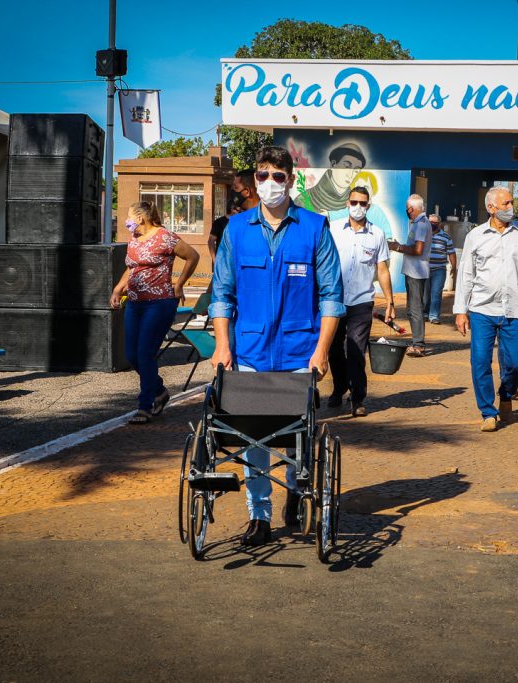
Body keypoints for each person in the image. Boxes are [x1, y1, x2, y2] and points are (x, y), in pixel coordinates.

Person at [209, 145, 345, 546]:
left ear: (291, 180)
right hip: (250, 352)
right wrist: (222, 345)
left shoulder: (315, 228)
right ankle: (260, 515)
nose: (270, 183)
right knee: (253, 437)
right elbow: (222, 294)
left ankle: (298, 492)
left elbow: (332, 297)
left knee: (299, 434)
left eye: (279, 176)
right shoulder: (236, 230)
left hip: (299, 351)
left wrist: (321, 350)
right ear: (255, 179)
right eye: (263, 175)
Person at [454, 186, 518, 432]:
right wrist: (460, 310)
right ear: (491, 208)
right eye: (505, 203)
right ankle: (488, 411)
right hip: (482, 309)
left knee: (516, 363)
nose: (510, 207)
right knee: (480, 362)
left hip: (516, 309)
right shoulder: (475, 235)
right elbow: (465, 275)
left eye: (511, 203)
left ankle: (506, 393)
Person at [110, 201, 200, 424]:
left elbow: (193, 256)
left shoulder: (165, 237)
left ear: (141, 217)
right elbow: (132, 268)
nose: (127, 221)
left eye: (129, 216)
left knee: (145, 353)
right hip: (135, 303)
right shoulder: (134, 240)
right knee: (132, 355)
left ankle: (145, 405)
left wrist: (179, 285)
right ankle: (159, 390)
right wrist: (118, 288)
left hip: (159, 303)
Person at [328, 185, 395, 417]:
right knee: (334, 350)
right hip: (333, 300)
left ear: (368, 206)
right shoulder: (333, 230)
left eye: (362, 203)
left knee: (356, 350)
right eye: (354, 202)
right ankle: (339, 388)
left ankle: (358, 398)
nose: (358, 207)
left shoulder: (376, 235)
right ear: (347, 204)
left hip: (361, 301)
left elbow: (383, 269)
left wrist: (390, 302)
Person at [388, 194, 431, 357]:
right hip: (415, 271)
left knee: (415, 309)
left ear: (411, 209)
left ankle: (418, 344)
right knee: (412, 308)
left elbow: (417, 249)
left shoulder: (420, 225)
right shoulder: (420, 223)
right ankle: (417, 341)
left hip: (416, 272)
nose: (407, 211)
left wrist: (397, 247)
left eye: (407, 208)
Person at [209, 170, 258, 262]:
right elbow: (225, 272)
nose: (233, 192)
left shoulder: (271, 222)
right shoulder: (234, 225)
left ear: (247, 191)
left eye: (236, 188)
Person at [424, 213, 456, 325]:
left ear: (440, 224)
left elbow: (451, 253)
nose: (432, 225)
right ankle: (425, 314)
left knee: (436, 293)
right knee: (425, 294)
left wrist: (454, 267)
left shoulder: (446, 237)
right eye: (430, 222)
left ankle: (434, 316)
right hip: (425, 269)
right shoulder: (423, 235)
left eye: (434, 223)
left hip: (439, 270)